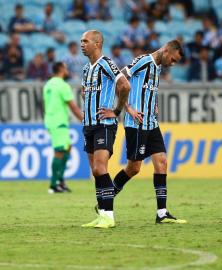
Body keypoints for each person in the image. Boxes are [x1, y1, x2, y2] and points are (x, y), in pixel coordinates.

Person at [111, 40, 187, 224]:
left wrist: (154, 105)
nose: (172, 64)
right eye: (173, 59)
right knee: (134, 168)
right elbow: (118, 80)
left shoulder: (158, 67)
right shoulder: (143, 61)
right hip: (136, 123)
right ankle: (105, 198)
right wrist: (128, 108)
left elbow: (147, 89)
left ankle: (162, 213)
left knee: (162, 162)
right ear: (166, 50)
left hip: (151, 123)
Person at [80, 30, 130, 229]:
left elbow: (124, 85)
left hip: (104, 125)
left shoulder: (106, 63)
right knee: (95, 171)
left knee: (101, 168)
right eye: (81, 41)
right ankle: (101, 214)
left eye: (86, 41)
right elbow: (85, 92)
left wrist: (116, 110)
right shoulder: (86, 68)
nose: (82, 44)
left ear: (97, 43)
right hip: (89, 125)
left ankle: (109, 216)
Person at [43, 62, 83, 193]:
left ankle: (60, 181)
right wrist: (85, 119)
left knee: (67, 148)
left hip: (51, 120)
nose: (67, 70)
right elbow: (73, 106)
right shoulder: (62, 85)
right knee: (59, 151)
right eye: (66, 67)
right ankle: (53, 185)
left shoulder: (48, 84)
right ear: (61, 69)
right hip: (59, 122)